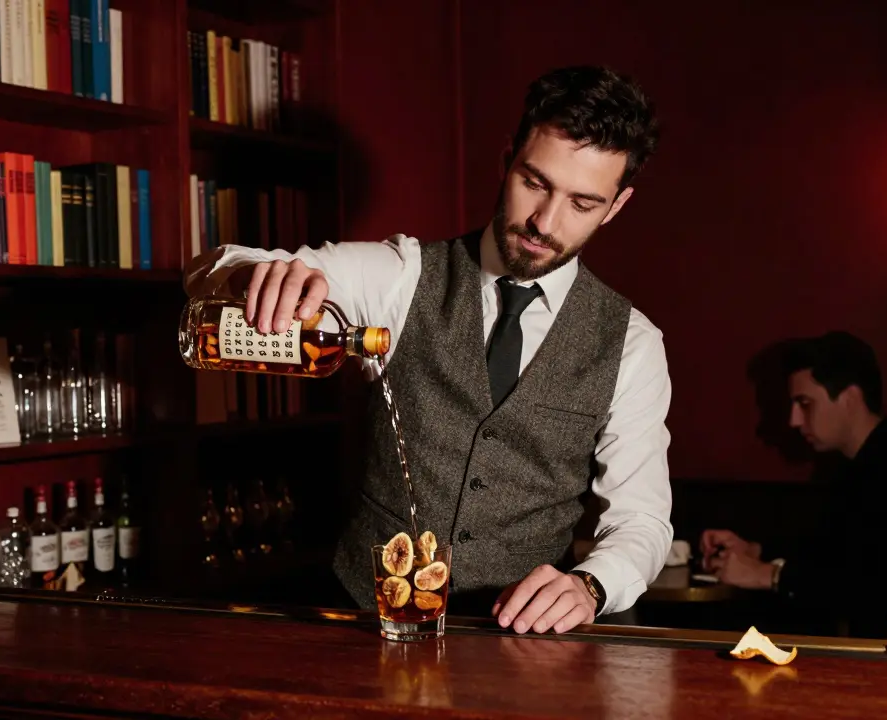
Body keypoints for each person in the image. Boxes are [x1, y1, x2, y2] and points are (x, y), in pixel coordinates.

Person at [184, 65, 672, 635]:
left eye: (582, 204)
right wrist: (255, 276)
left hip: (519, 644)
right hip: (364, 622)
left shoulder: (632, 345)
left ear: (616, 206)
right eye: (534, 183)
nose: (545, 221)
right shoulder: (403, 275)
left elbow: (641, 519)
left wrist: (591, 584)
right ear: (506, 159)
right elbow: (208, 269)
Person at [700, 331, 887, 639]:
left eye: (805, 403)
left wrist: (767, 575)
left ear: (849, 399)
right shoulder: (862, 465)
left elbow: (873, 587)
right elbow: (832, 553)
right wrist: (755, 550)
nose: (794, 420)